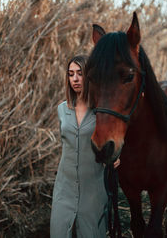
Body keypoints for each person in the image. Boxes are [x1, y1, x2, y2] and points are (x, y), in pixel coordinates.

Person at [50, 55, 120, 238]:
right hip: (64, 186)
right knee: (58, 232)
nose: (74, 79)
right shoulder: (61, 109)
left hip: (93, 189)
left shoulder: (100, 112)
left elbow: (115, 138)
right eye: (70, 74)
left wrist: (117, 156)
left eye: (80, 73)